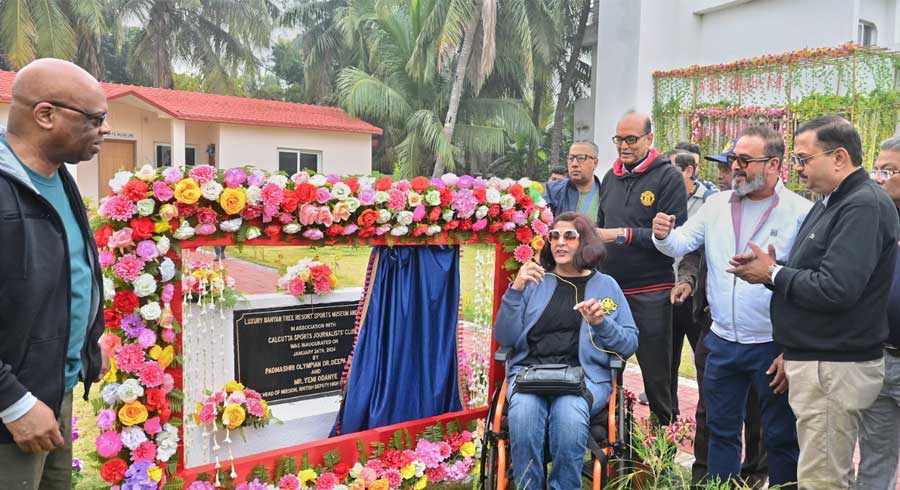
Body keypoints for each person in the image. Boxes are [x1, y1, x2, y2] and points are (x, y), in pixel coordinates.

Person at [729, 116, 900, 490]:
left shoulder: (862, 206)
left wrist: (772, 274)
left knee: (823, 481)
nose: (798, 169)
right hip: (822, 362)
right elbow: (821, 272)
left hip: (836, 367)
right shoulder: (832, 201)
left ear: (839, 157)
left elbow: (837, 289)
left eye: (804, 159)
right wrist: (777, 269)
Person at [654, 125, 810, 488]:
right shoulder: (716, 204)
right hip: (721, 339)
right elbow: (681, 243)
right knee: (720, 431)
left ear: (773, 165)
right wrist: (663, 234)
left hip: (770, 344)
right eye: (733, 159)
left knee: (780, 436)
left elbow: (805, 284)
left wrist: (791, 347)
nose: (735, 166)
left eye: (744, 160)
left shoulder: (800, 212)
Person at [0, 59, 110, 489]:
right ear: (45, 115)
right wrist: (12, 403)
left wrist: (86, 347)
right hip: (14, 413)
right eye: (95, 119)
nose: (105, 129)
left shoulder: (60, 179)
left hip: (53, 397)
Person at [494, 212, 639, 490]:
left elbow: (629, 344)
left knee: (569, 414)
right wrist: (515, 289)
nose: (559, 242)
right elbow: (505, 336)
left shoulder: (606, 286)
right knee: (523, 412)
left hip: (585, 379)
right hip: (530, 375)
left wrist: (601, 323)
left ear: (585, 242)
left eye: (569, 236)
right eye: (554, 236)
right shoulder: (535, 281)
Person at [595, 111, 687, 424]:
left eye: (631, 139)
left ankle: (665, 448)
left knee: (657, 374)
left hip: (652, 291)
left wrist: (622, 234)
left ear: (650, 138)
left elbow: (676, 236)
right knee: (604, 366)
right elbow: (600, 228)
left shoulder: (668, 177)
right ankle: (608, 439)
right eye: (619, 139)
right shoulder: (610, 177)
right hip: (611, 289)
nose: (624, 146)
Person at [687, 140, 769, 487]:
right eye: (722, 166)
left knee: (757, 410)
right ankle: (707, 477)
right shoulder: (713, 208)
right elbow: (692, 252)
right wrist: (687, 280)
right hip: (714, 325)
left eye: (734, 164)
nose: (726, 173)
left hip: (760, 328)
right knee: (711, 407)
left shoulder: (773, 212)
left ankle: (754, 475)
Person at [855, 135, 900, 490]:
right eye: (876, 169)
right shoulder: (876, 217)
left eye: (888, 171)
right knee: (874, 461)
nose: (877, 178)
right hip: (880, 358)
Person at [667, 152, 715, 415]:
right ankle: (667, 428)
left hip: (697, 299)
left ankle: (704, 416)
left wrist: (689, 281)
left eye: (671, 168)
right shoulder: (661, 199)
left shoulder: (710, 201)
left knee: (705, 368)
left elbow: (696, 251)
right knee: (667, 366)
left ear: (688, 171)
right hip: (667, 293)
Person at [544, 141, 602, 223]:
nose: (574, 164)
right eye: (571, 158)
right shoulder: (553, 191)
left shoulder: (606, 193)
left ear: (595, 163)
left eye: (581, 158)